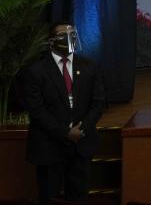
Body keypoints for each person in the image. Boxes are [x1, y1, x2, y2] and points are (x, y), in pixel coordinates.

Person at [21, 22, 105, 204]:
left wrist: (82, 128)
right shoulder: (35, 71)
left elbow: (99, 103)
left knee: (79, 197)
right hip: (49, 147)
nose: (70, 38)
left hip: (81, 145)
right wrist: (66, 133)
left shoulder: (90, 66)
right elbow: (37, 111)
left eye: (73, 33)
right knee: (49, 197)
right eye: (63, 35)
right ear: (51, 41)